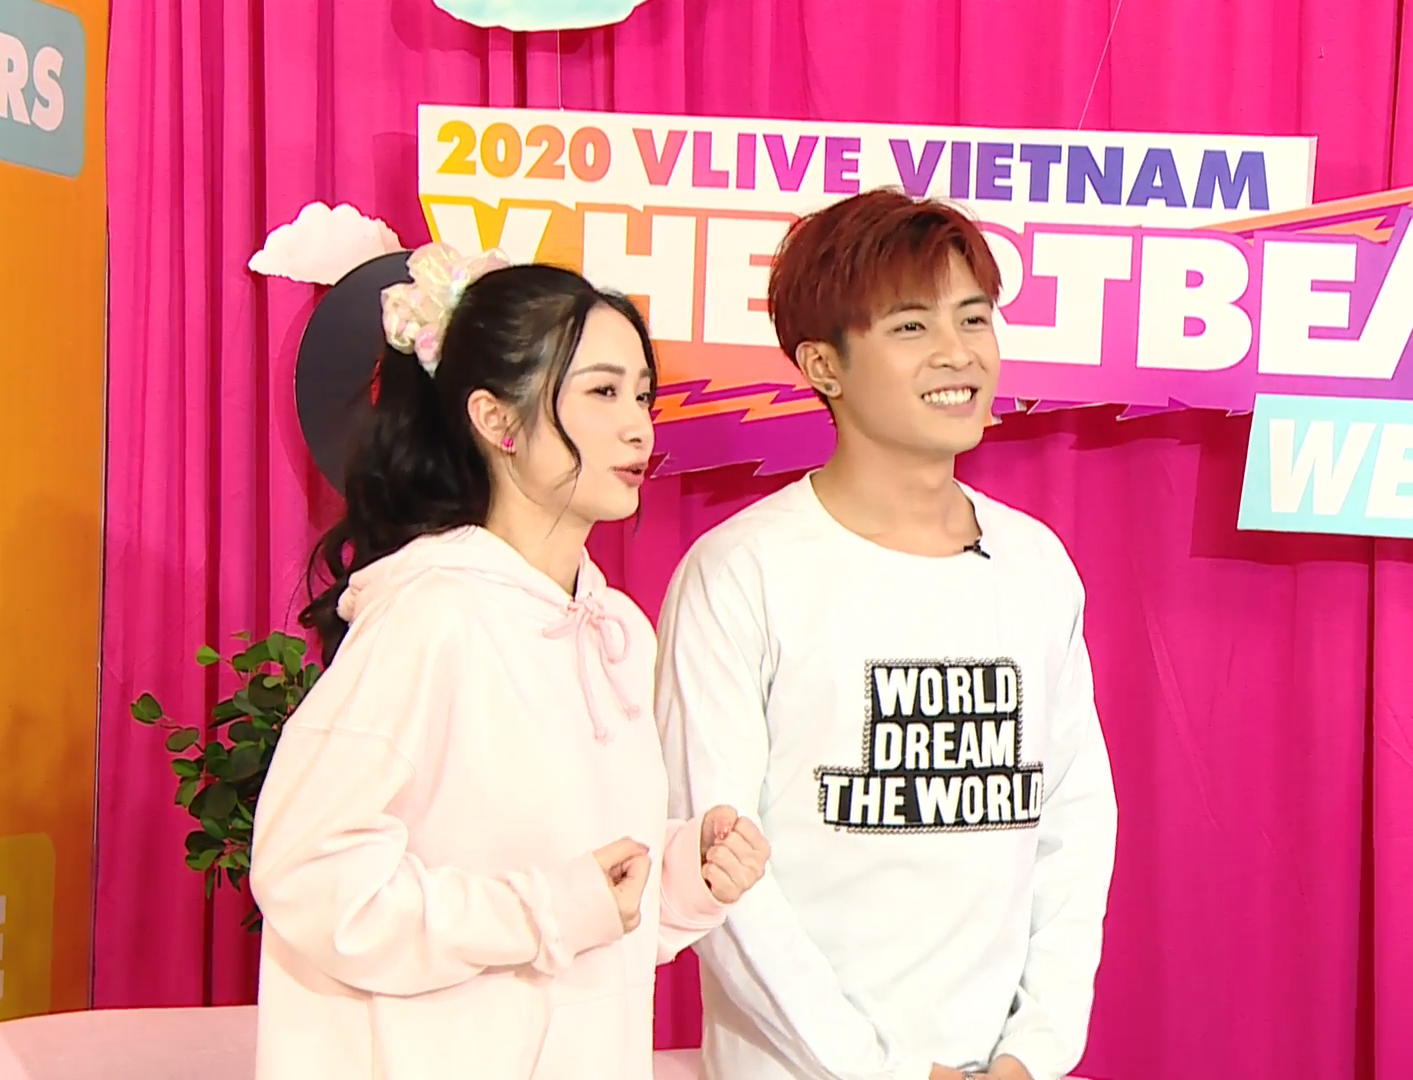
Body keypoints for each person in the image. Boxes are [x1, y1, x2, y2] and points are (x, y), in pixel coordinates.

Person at [247, 247, 771, 1080]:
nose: (638, 426)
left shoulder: (616, 631)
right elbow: (309, 876)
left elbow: (587, 918)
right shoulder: (432, 615)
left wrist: (681, 878)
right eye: (601, 393)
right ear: (497, 420)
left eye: (642, 395)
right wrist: (548, 909)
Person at [653, 189, 1119, 1080]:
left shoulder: (1035, 564)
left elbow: (1075, 822)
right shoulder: (741, 572)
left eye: (973, 318)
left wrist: (1033, 1052)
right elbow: (719, 868)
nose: (958, 353)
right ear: (822, 364)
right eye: (911, 327)